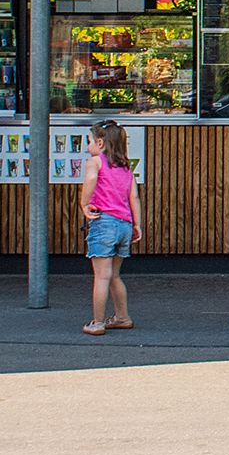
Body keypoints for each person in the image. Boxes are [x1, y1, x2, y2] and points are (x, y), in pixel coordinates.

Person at [78, 118, 137, 335]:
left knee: (102, 276)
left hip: (104, 223)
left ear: (100, 143)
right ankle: (122, 317)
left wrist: (84, 203)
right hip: (125, 225)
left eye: (89, 141)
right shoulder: (126, 168)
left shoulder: (95, 162)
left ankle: (97, 323)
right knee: (114, 275)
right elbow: (134, 198)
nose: (88, 146)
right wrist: (137, 224)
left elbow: (91, 179)